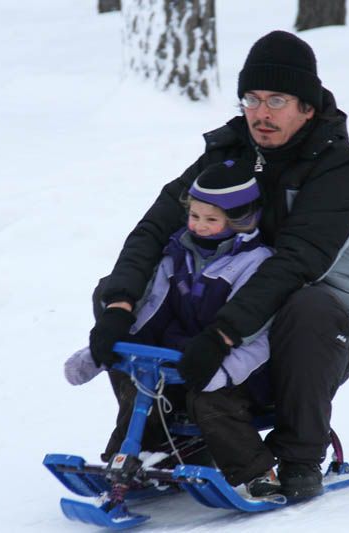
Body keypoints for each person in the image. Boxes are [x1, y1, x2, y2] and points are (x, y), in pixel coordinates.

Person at [87, 30, 349, 499]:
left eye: (277, 100)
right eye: (251, 98)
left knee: (304, 306)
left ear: (307, 108)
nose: (260, 113)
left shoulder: (337, 168)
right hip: (233, 307)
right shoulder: (229, 153)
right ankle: (165, 437)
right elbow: (154, 229)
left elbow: (295, 264)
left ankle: (297, 456)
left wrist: (223, 334)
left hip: (327, 322)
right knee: (119, 289)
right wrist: (119, 305)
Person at [65, 159, 281, 496]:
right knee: (143, 387)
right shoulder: (177, 254)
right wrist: (111, 348)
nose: (200, 226)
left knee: (208, 401)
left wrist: (220, 372)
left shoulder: (256, 264)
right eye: (194, 216)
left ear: (240, 220)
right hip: (180, 358)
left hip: (238, 369)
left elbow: (259, 339)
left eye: (211, 219)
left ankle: (258, 473)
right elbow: (153, 311)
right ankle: (129, 460)